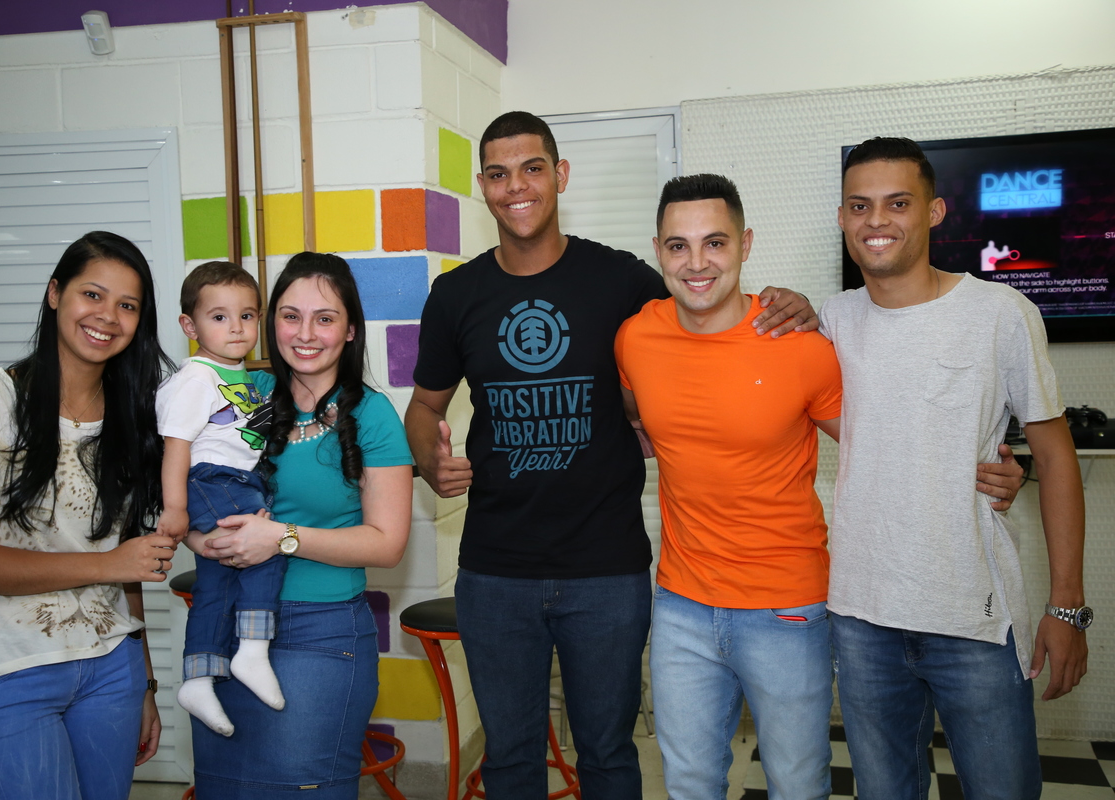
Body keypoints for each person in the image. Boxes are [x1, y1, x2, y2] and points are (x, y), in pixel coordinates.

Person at [405, 111, 819, 799]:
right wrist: (428, 459)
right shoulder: (455, 295)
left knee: (607, 757)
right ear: (482, 186)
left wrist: (792, 306)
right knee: (509, 762)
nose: (517, 186)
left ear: (560, 174)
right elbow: (424, 407)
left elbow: (709, 312)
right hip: (495, 572)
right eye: (500, 174)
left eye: (533, 168)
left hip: (607, 572)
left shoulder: (623, 280)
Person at [615, 174, 1026, 800]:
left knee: (798, 786)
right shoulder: (636, 338)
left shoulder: (800, 345)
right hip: (680, 606)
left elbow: (883, 445)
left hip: (787, 609)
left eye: (715, 242)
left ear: (745, 244)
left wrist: (989, 470)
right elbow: (632, 410)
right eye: (679, 245)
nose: (697, 263)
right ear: (657, 251)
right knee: (689, 784)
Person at [823, 137, 1089, 799]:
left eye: (898, 203)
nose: (876, 220)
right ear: (842, 217)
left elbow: (1056, 457)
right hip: (861, 618)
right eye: (860, 205)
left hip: (973, 617)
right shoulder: (831, 320)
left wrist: (1067, 607)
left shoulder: (1000, 313)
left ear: (934, 211)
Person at [0, 231, 177, 800]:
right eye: (93, 294)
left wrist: (145, 683)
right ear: (55, 293)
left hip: (111, 670)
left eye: (128, 305)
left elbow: (130, 566)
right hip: (2, 671)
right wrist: (107, 564)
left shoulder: (136, 418)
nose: (107, 316)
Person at [185, 252, 413, 799]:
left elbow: (388, 544)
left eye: (324, 318)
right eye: (291, 316)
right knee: (226, 791)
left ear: (350, 330)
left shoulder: (373, 415)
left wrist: (280, 538)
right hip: (224, 630)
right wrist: (197, 537)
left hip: (320, 635)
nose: (305, 334)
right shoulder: (244, 395)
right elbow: (184, 482)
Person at [156, 262, 281, 737]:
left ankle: (198, 676)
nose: (236, 328)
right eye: (219, 317)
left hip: (236, 479)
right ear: (190, 327)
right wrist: (175, 510)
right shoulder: (196, 378)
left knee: (218, 581)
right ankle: (252, 651)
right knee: (265, 547)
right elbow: (176, 448)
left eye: (247, 316)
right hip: (214, 479)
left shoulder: (237, 375)